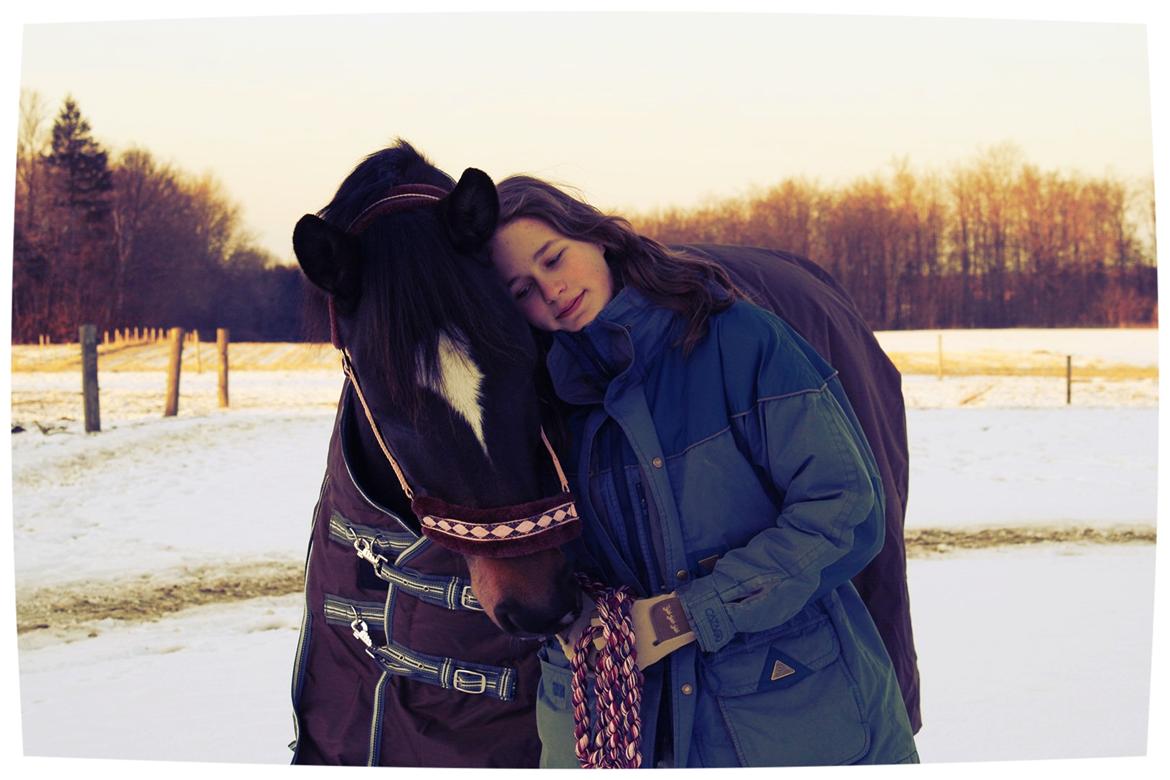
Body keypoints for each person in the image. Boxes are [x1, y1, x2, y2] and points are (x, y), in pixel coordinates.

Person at [487, 175, 919, 768]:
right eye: (522, 290)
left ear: (595, 236)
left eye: (553, 258)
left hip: (792, 718)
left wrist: (686, 614)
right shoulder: (539, 404)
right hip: (626, 729)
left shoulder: (738, 341)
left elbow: (845, 510)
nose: (551, 290)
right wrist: (576, 615)